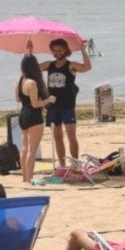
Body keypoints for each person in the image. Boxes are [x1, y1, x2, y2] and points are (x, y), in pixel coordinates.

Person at [34, 38, 91, 168]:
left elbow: (87, 67)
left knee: (71, 136)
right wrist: (29, 51)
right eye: (54, 50)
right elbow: (32, 68)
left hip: (67, 107)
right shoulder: (49, 65)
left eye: (60, 50)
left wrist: (82, 49)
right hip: (52, 107)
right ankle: (63, 165)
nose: (57, 53)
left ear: (65, 50)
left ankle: (76, 165)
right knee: (57, 138)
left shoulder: (71, 66)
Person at [16, 54, 56, 183]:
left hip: (22, 114)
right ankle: (29, 179)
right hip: (33, 116)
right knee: (32, 150)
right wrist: (47, 100)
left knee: (25, 148)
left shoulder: (19, 80)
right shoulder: (32, 83)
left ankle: (24, 178)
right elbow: (35, 104)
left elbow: (17, 99)